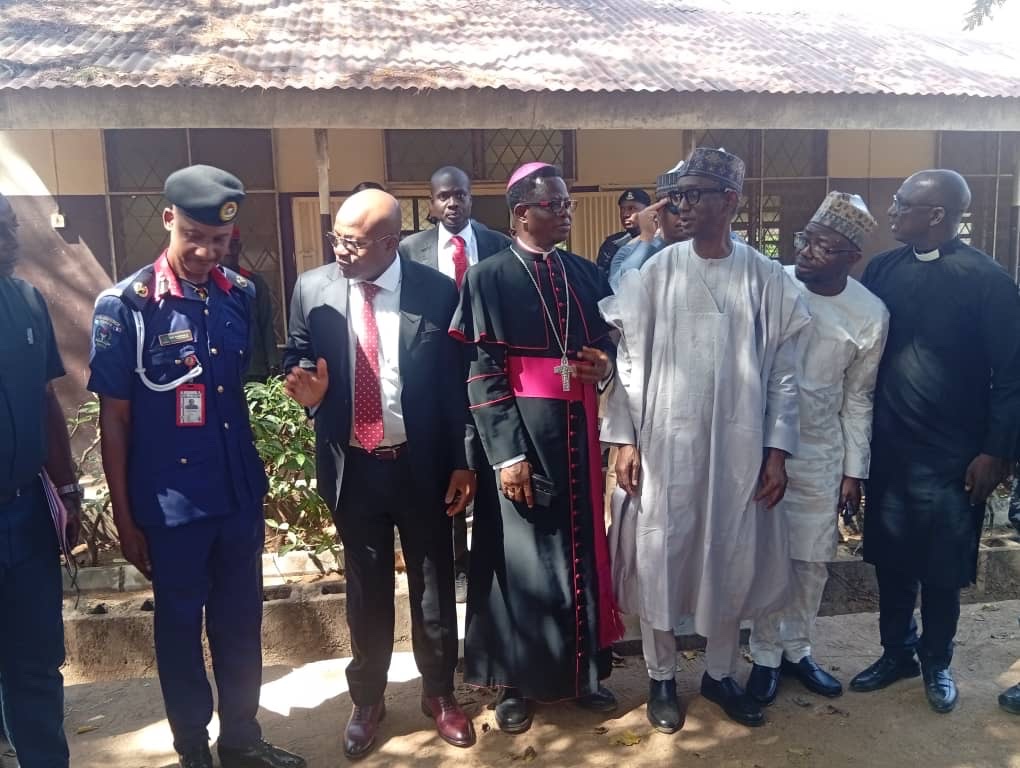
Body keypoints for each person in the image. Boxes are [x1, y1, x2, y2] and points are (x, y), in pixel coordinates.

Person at [87, 165, 306, 768]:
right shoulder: (126, 308)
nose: (207, 252)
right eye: (194, 237)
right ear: (168, 221)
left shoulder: (240, 295)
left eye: (219, 240)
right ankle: (193, 749)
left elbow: (240, 390)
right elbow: (115, 420)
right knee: (180, 632)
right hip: (172, 507)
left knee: (241, 626)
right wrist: (125, 518)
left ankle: (242, 739)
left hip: (236, 496)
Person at [601, 147, 809, 732]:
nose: (682, 206)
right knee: (661, 553)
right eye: (677, 196)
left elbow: (784, 374)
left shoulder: (768, 278)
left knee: (729, 554)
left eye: (695, 195)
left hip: (739, 449)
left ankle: (720, 674)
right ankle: (662, 678)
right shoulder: (656, 273)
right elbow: (628, 361)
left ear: (731, 201)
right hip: (665, 443)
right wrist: (624, 440)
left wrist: (776, 453)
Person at [283, 189, 477, 759]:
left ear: (391, 243)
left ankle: (439, 692)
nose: (339, 250)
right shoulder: (312, 288)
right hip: (354, 468)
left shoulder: (435, 291)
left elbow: (455, 384)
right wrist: (309, 394)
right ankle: (367, 699)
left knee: (433, 585)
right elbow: (296, 356)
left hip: (422, 465)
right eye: (336, 239)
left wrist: (463, 460)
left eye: (354, 242)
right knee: (366, 591)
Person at [450, 162, 624, 733]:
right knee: (519, 559)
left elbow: (609, 348)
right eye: (556, 205)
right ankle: (516, 684)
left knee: (579, 551)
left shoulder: (585, 273)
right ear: (522, 212)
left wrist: (603, 365)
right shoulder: (489, 276)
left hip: (577, 430)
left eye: (568, 204)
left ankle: (583, 674)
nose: (566, 213)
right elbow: (482, 372)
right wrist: (508, 455)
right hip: (521, 432)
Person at [852, 170, 1020, 714]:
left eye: (902, 203)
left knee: (943, 568)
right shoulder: (882, 269)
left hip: (956, 455)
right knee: (891, 561)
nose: (892, 210)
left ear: (936, 215)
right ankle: (896, 652)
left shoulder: (988, 280)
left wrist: (995, 451)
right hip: (891, 448)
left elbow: (1011, 374)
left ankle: (936, 661)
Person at [746, 192, 889, 705]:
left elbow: (858, 396)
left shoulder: (869, 313)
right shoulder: (773, 282)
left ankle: (798, 650)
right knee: (768, 555)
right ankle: (764, 655)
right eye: (805, 240)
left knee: (811, 560)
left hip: (821, 448)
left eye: (822, 246)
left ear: (852, 257)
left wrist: (854, 471)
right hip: (761, 444)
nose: (805, 252)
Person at [398, 166, 511, 602]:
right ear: (431, 202)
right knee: (449, 467)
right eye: (443, 196)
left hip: (488, 369)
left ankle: (492, 565)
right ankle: (457, 565)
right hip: (436, 372)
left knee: (489, 462)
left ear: (470, 198)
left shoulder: (497, 244)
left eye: (460, 195)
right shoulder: (410, 250)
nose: (452, 203)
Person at [0, 191, 80, 768]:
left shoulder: (26, 301)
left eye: (8, 227)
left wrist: (68, 489)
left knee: (36, 662)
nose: (8, 240)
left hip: (25, 515)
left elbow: (47, 397)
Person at [607, 163, 688, 292]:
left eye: (691, 207)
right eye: (676, 209)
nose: (684, 215)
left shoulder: (704, 250)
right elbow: (618, 290)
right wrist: (646, 238)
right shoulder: (628, 252)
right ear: (658, 209)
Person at [220, 226, 278, 382]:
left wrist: (273, 362)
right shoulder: (205, 284)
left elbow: (266, 324)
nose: (228, 251)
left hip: (253, 368)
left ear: (239, 248)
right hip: (220, 368)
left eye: (232, 245)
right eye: (224, 245)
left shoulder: (254, 283)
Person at [595, 188, 651, 279]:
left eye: (631, 208)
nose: (625, 214)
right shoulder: (611, 244)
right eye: (622, 209)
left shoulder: (658, 240)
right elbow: (600, 278)